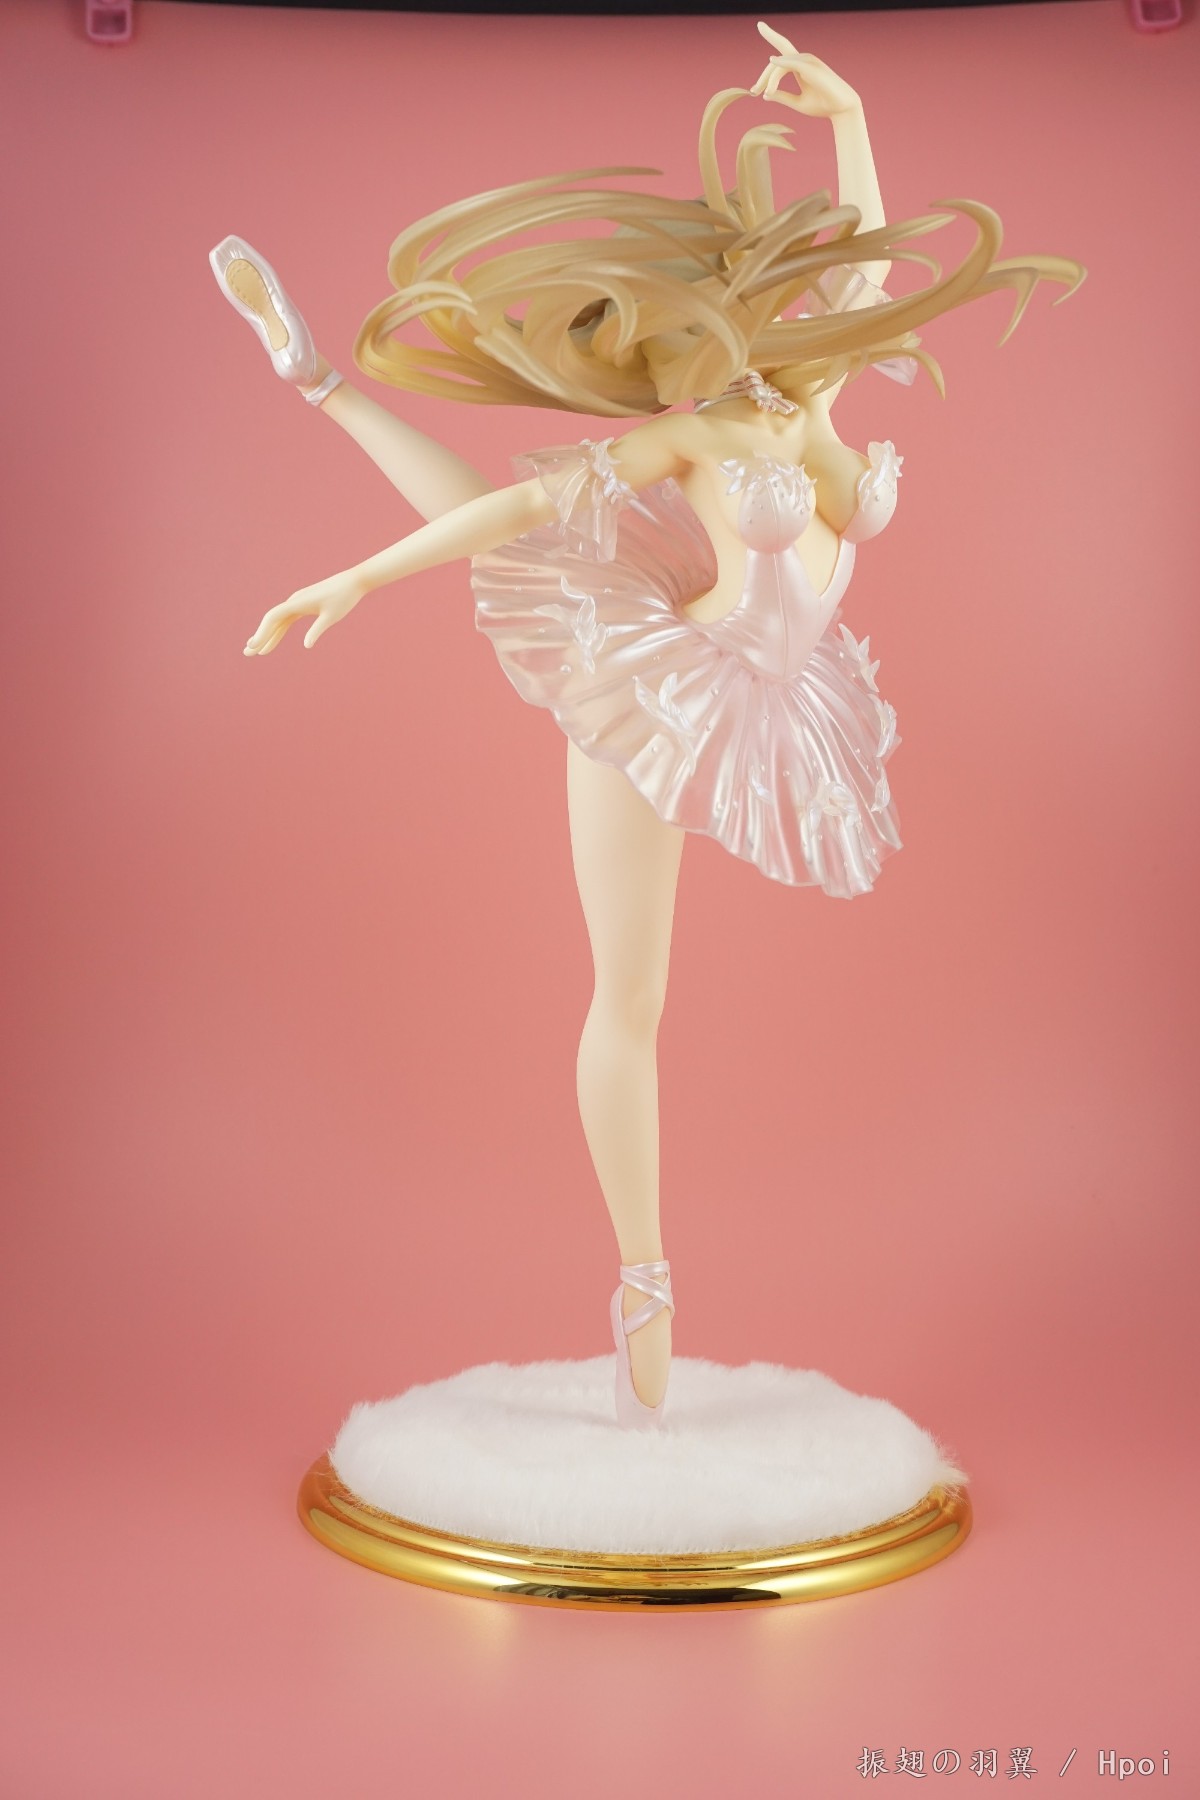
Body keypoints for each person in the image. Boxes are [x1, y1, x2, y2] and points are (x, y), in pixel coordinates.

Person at [213, 27, 1084, 1428]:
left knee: (638, 976)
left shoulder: (816, 397)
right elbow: (520, 503)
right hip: (662, 681)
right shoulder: (705, 432)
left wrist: (852, 112)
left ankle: (317, 382)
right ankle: (643, 1280)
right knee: (631, 994)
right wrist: (358, 580)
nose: (788, 316)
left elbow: (867, 263)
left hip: (774, 682)